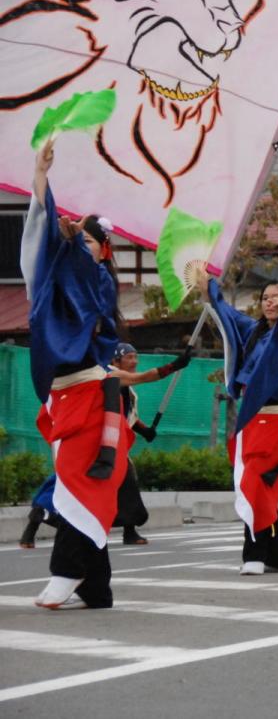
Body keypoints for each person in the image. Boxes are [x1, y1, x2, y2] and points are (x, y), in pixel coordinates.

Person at [22, 140, 131, 609]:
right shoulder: (58, 282)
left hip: (91, 395)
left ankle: (66, 574)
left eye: (88, 241)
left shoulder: (99, 282)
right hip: (65, 398)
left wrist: (77, 251)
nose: (76, 245)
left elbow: (85, 283)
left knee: (79, 484)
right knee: (74, 488)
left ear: (103, 251)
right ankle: (97, 589)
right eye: (76, 238)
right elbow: (46, 248)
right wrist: (41, 179)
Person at [18, 341, 191, 549]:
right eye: (129, 357)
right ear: (115, 359)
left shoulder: (114, 381)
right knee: (66, 483)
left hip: (107, 440)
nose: (134, 361)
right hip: (89, 439)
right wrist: (172, 366)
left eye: (136, 356)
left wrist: (144, 430)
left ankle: (129, 529)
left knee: (123, 480)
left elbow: (126, 415)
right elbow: (143, 377)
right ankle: (37, 521)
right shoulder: (105, 374)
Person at [202, 271, 278, 575]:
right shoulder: (255, 332)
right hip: (251, 419)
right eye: (265, 297)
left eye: (276, 296)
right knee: (259, 486)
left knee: (253, 484)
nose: (269, 302)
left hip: (276, 420)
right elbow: (231, 315)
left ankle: (255, 554)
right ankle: (277, 556)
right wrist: (209, 287)